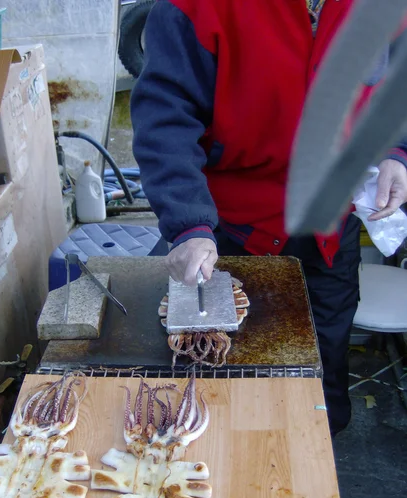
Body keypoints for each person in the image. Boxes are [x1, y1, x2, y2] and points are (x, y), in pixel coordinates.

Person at [130, 0, 407, 435]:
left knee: (322, 380)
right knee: (220, 381)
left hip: (331, 231)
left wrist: (396, 152)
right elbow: (166, 113)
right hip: (230, 231)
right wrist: (188, 223)